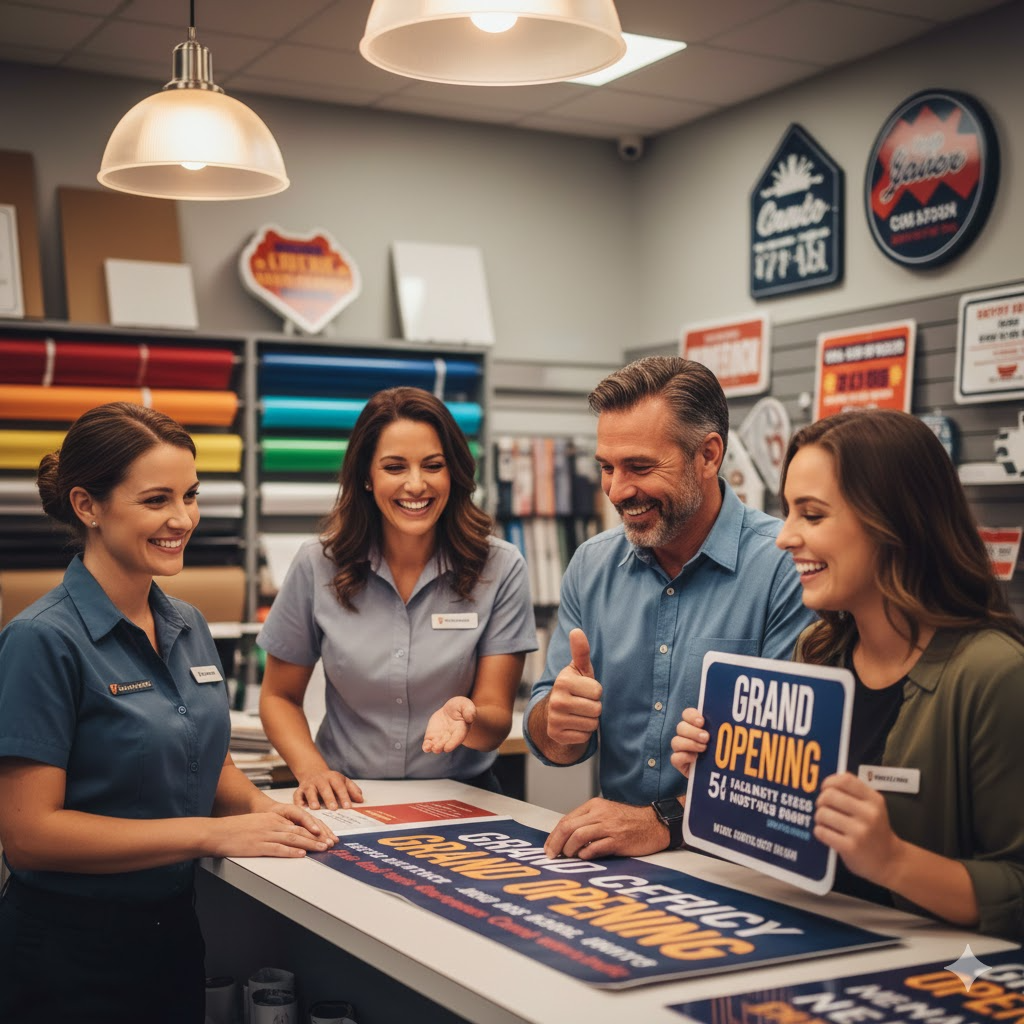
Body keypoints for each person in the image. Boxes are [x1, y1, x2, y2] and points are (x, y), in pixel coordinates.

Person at [0, 402, 334, 1024]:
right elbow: (30, 835)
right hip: (67, 952)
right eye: (156, 500)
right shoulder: (41, 640)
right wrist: (212, 833)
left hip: (172, 935)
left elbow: (202, 754)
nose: (182, 519)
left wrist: (268, 813)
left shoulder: (187, 623)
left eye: (191, 495)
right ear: (87, 506)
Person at [672, 408, 1024, 940]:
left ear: (895, 524)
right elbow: (787, 842)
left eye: (811, 516)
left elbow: (1015, 886)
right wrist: (722, 773)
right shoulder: (818, 652)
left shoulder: (993, 675)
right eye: (787, 513)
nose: (784, 538)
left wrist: (893, 860)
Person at [524, 357, 814, 860]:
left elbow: (789, 773)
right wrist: (558, 721)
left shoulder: (785, 568)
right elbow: (554, 746)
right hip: (619, 870)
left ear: (708, 455)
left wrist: (664, 821)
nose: (617, 491)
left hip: (746, 868)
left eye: (639, 467)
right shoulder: (592, 565)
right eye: (607, 468)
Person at [258, 387, 536, 810]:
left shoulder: (500, 567)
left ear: (454, 473)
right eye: (394, 467)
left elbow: (495, 717)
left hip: (461, 800)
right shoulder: (318, 564)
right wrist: (312, 770)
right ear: (367, 476)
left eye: (433, 465)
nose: (415, 484)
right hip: (347, 801)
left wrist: (469, 717)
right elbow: (279, 696)